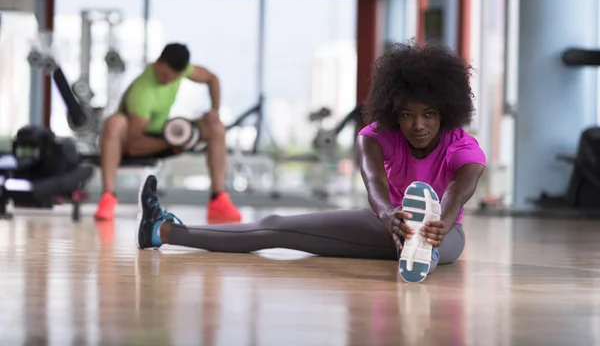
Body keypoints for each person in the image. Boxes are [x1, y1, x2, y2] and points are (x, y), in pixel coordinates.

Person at [134, 41, 486, 283]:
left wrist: (441, 220)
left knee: (439, 240)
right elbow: (375, 184)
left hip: (446, 233)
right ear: (394, 112)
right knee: (276, 227)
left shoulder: (463, 147)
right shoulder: (375, 136)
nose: (418, 125)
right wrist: (388, 215)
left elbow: (459, 190)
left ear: (446, 112)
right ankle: (163, 229)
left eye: (429, 114)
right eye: (407, 114)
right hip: (384, 221)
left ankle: (421, 249)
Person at [94, 43, 241, 223]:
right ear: (158, 62)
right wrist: (173, 143)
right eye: (164, 75)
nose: (168, 80)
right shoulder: (143, 92)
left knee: (216, 128)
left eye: (174, 78)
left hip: (165, 132)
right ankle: (108, 197)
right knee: (114, 122)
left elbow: (212, 78)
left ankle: (218, 200)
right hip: (138, 141)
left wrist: (214, 110)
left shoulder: (182, 70)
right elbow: (134, 146)